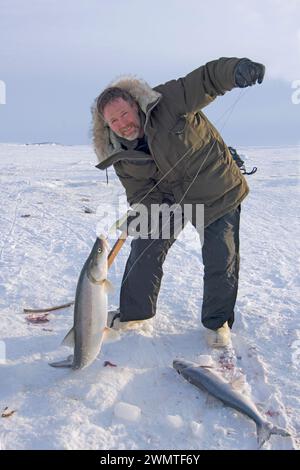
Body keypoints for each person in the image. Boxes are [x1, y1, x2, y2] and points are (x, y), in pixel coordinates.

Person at [92, 57, 265, 348]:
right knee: (145, 245)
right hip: (171, 199)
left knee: (220, 258)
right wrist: (143, 215)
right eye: (114, 121)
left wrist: (234, 71)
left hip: (215, 187)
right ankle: (135, 313)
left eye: (124, 114)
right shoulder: (119, 155)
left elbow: (206, 79)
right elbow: (142, 193)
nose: (122, 124)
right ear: (107, 125)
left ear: (135, 104)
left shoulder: (168, 100)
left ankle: (217, 323)